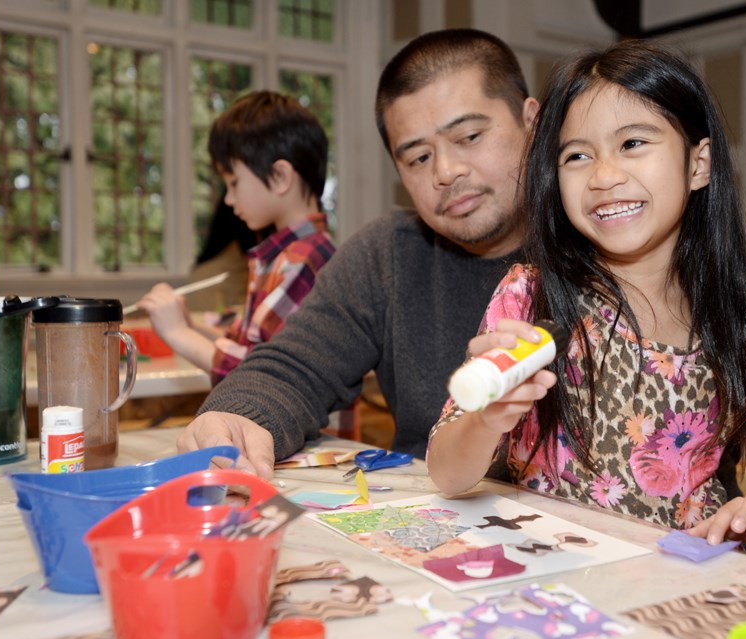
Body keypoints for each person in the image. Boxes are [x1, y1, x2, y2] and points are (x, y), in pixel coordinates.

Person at [426, 40, 746, 553]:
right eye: (577, 155)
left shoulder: (741, 319)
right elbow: (447, 472)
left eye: (632, 144)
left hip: (682, 585)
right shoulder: (531, 296)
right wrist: (487, 418)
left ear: (699, 165)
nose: (603, 176)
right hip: (556, 584)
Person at [175, 28, 539, 478]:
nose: (446, 171)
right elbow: (293, 365)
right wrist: (236, 416)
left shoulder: (605, 240)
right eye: (418, 159)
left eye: (468, 136)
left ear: (531, 121)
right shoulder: (387, 253)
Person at [137, 90, 336, 385]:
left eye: (234, 182)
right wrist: (189, 323)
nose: (229, 199)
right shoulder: (284, 256)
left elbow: (261, 375)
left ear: (280, 177)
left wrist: (178, 333)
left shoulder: (303, 260)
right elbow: (249, 347)